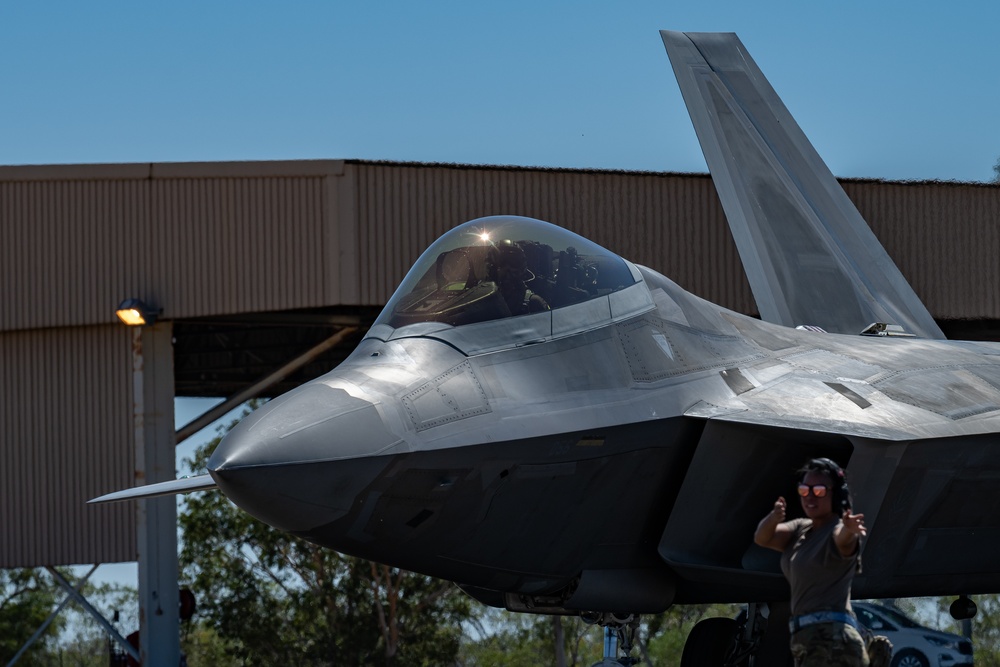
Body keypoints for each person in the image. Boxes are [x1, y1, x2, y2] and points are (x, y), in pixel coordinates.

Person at [754, 458, 869, 666]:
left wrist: (849, 530)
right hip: (809, 639)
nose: (810, 497)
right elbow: (762, 538)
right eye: (804, 490)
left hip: (833, 640)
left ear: (836, 495)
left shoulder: (835, 531)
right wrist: (774, 517)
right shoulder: (801, 529)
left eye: (819, 491)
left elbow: (843, 539)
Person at [493, 240, 549, 316]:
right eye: (502, 262)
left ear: (522, 267)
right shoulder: (483, 299)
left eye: (513, 262)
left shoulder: (534, 303)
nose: (507, 269)